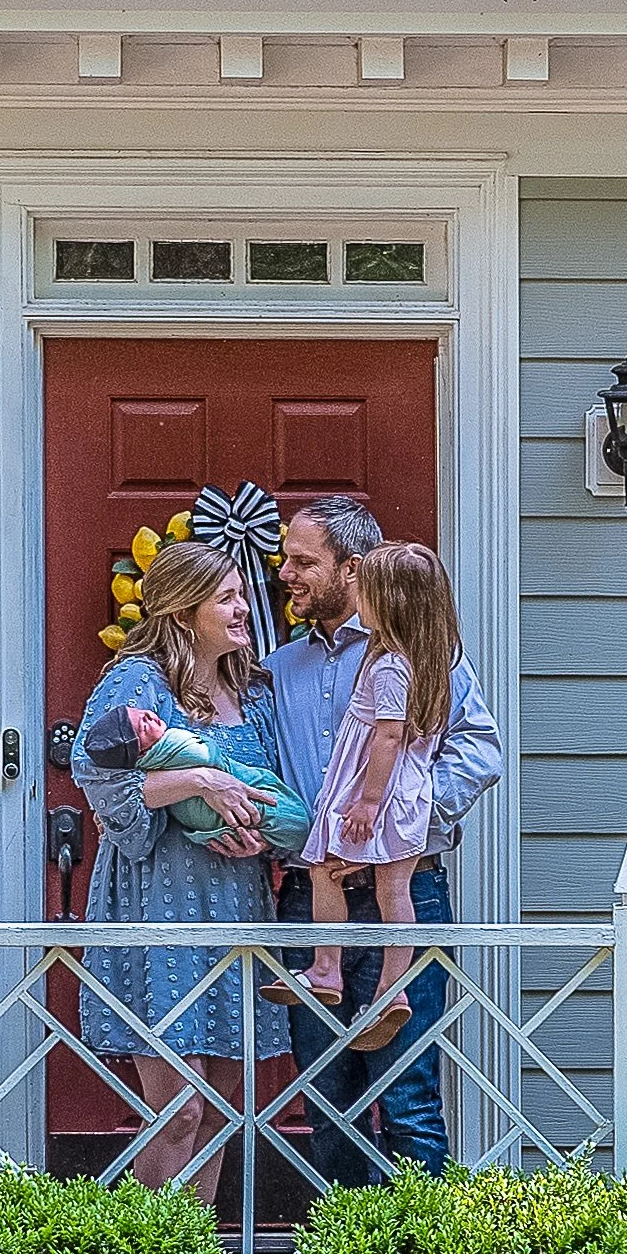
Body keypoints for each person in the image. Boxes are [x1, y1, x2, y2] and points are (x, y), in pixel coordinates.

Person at [268, 496, 503, 1185]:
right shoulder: (280, 670)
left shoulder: (420, 653)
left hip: (406, 888)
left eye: (303, 560)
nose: (286, 573)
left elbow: (480, 752)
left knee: (407, 1095)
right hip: (314, 902)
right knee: (324, 1093)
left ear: (353, 568)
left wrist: (397, 829)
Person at [70, 540, 291, 1199]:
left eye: (243, 594)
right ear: (184, 607)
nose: (244, 607)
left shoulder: (252, 690)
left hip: (234, 905)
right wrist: (197, 777)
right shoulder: (137, 681)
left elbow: (270, 788)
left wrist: (256, 832)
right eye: (228, 597)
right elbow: (95, 769)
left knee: (218, 1113)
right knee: (180, 1109)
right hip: (159, 906)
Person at [296, 543, 462, 1052]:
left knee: (327, 869)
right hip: (407, 797)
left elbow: (387, 736)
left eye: (365, 590)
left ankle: (329, 966)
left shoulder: (389, 666)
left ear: (388, 602)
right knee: (394, 893)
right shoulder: (429, 661)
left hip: (378, 793)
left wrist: (366, 803)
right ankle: (391, 989)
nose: (357, 598)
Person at [79, 700, 313, 858]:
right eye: (142, 725)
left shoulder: (254, 689)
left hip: (243, 874)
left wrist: (265, 840)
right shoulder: (140, 677)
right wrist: (201, 779)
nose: (148, 716)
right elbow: (102, 782)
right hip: (175, 879)